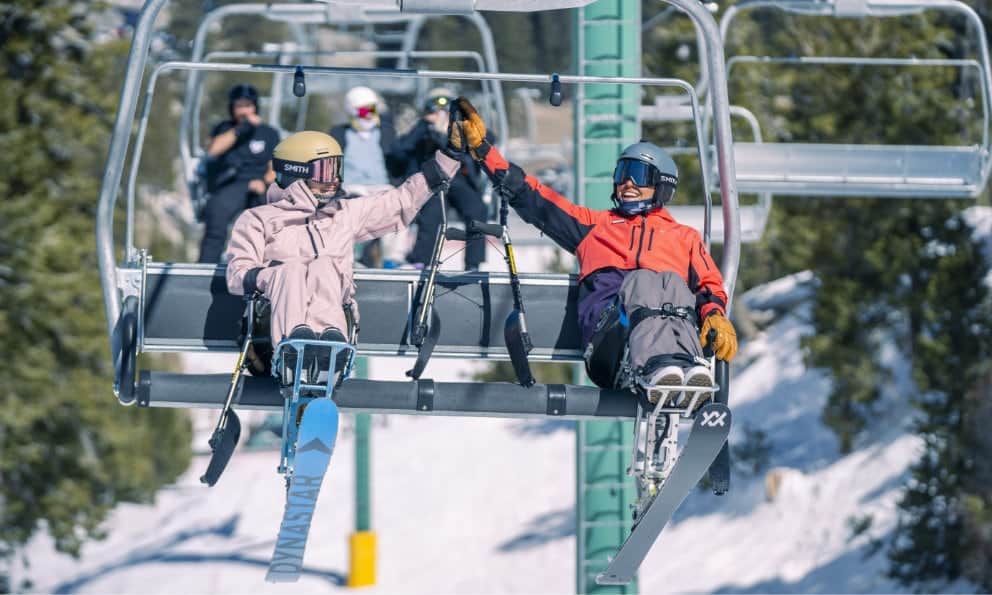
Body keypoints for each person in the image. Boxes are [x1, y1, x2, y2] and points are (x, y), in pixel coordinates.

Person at [448, 97, 738, 408]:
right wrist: (483, 150)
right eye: (622, 173)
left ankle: (682, 372)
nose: (627, 183)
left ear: (662, 185)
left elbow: (709, 286)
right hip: (609, 343)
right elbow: (533, 198)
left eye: (638, 175)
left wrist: (715, 316)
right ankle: (661, 367)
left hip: (669, 344)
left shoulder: (685, 238)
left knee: (671, 285)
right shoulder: (594, 227)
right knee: (646, 281)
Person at [224, 130, 459, 381]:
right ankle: (293, 354)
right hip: (268, 339)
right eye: (325, 171)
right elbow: (237, 275)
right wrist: (275, 276)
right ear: (298, 174)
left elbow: (402, 201)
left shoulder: (343, 214)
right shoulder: (259, 219)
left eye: (338, 169)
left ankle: (329, 354)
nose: (335, 179)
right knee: (291, 271)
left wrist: (449, 156)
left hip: (334, 329)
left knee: (325, 266)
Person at [386, 90, 489, 271]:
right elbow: (399, 150)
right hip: (431, 181)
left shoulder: (463, 128)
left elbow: (486, 142)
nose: (441, 114)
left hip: (459, 181)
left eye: (446, 109)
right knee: (432, 215)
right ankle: (422, 261)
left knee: (477, 209)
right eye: (435, 109)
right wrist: (425, 126)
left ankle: (473, 263)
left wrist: (455, 128)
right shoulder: (422, 130)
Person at [198, 84, 280, 263]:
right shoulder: (224, 128)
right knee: (217, 215)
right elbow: (213, 150)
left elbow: (274, 167)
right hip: (231, 183)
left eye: (248, 106)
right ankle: (205, 267)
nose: (244, 111)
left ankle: (271, 266)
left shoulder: (269, 133)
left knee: (274, 218)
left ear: (255, 107)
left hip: (260, 184)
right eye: (239, 106)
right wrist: (240, 130)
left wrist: (264, 183)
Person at [329, 86, 404, 268]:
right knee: (349, 214)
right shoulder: (339, 133)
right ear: (352, 111)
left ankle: (392, 260)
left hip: (381, 187)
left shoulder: (386, 132)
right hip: (351, 187)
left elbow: (399, 160)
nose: (369, 115)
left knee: (399, 209)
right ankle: (351, 259)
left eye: (372, 109)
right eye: (364, 110)